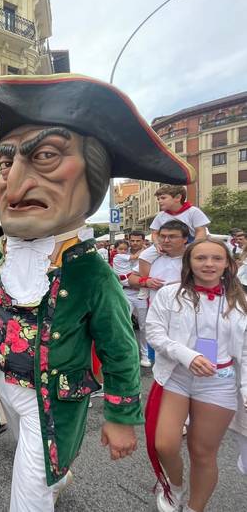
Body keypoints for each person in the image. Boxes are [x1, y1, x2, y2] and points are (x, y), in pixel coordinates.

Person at [0, 73, 195, 510]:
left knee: (28, 493)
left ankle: (46, 478)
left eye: (47, 157)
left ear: (93, 177)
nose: (12, 185)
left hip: (53, 399)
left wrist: (121, 416)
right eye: (4, 164)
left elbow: (121, 350)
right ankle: (54, 472)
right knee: (31, 459)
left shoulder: (91, 272)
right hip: (3, 387)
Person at [144, 238, 247, 512]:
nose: (209, 264)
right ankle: (174, 487)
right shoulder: (170, 293)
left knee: (202, 453)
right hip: (178, 375)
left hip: (219, 383)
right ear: (189, 262)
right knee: (164, 444)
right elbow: (154, 333)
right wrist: (187, 355)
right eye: (201, 258)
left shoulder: (241, 300)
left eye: (216, 258)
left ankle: (194, 507)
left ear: (228, 264)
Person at [144, 185, 209, 266]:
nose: (159, 201)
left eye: (163, 198)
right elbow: (155, 232)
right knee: (144, 257)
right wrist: (157, 244)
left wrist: (194, 247)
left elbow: (200, 231)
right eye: (158, 199)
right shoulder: (160, 215)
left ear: (178, 198)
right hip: (166, 243)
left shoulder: (193, 211)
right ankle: (146, 278)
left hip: (191, 243)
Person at [122, 231, 152, 367]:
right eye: (132, 240)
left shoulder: (150, 254)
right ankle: (125, 353)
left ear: (143, 241)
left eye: (137, 241)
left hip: (142, 294)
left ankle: (144, 355)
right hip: (125, 293)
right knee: (123, 323)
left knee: (144, 326)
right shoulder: (121, 251)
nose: (134, 243)